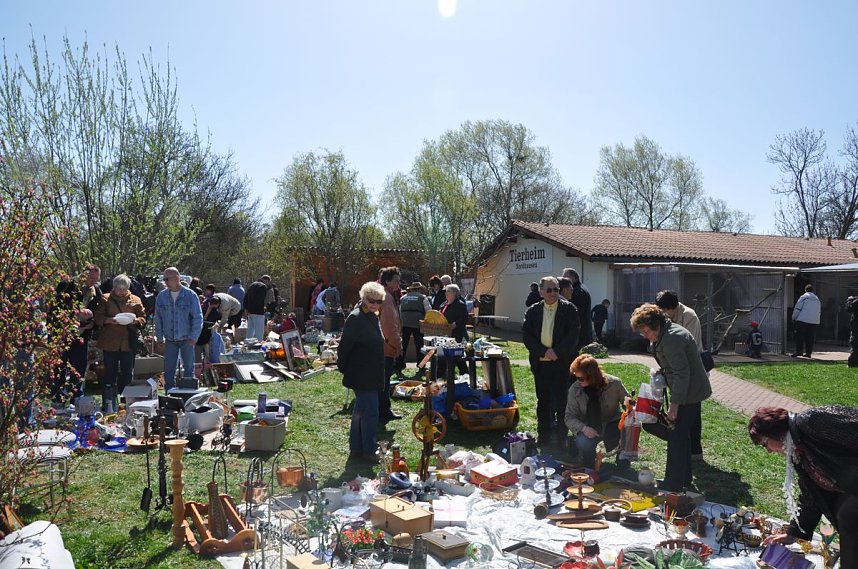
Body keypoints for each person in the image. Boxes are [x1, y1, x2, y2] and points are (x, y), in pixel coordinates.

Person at [749, 405, 858, 567]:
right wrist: (793, 533)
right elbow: (810, 493)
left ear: (774, 434)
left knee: (848, 514)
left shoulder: (811, 421)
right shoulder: (797, 449)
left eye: (765, 444)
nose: (769, 451)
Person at [631, 303, 711, 491]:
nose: (644, 335)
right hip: (687, 390)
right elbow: (674, 367)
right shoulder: (665, 334)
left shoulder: (672, 339)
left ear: (654, 324)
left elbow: (682, 374)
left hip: (689, 393)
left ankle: (674, 484)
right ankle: (683, 479)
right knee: (681, 437)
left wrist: (675, 405)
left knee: (677, 437)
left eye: (644, 331)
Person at [522, 276, 580, 447]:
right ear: (541, 292)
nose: (553, 293)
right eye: (549, 290)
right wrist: (544, 351)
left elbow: (573, 334)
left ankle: (562, 436)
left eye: (556, 289)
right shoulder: (532, 311)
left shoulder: (569, 309)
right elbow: (527, 336)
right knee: (543, 401)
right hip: (541, 364)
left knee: (562, 401)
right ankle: (544, 435)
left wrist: (557, 352)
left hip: (561, 363)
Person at [338, 282, 387, 462]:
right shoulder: (356, 317)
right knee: (371, 412)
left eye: (379, 301)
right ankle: (369, 449)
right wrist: (344, 368)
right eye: (371, 300)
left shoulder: (372, 316)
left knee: (360, 411)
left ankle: (356, 448)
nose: (375, 304)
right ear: (363, 298)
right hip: (361, 373)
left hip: (370, 372)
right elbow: (344, 348)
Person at [655, 289, 705, 459]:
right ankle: (681, 445)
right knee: (681, 411)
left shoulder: (689, 316)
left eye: (665, 310)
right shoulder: (668, 317)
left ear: (673, 307)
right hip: (676, 371)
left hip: (692, 369)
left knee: (692, 411)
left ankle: (695, 450)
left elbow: (687, 344)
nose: (663, 314)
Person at [565, 354, 629, 468]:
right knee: (582, 441)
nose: (578, 381)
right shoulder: (575, 390)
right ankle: (588, 458)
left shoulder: (614, 384)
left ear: (592, 376)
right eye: (576, 377)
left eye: (581, 379)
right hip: (588, 425)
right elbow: (569, 417)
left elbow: (628, 403)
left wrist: (630, 411)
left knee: (630, 428)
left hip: (612, 422)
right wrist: (583, 428)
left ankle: (623, 460)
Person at [94, 274, 146, 412]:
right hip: (110, 342)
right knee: (109, 373)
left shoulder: (136, 299)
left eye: (124, 288)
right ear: (114, 287)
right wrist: (109, 320)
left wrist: (135, 321)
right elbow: (98, 317)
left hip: (128, 342)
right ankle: (109, 403)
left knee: (127, 374)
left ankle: (126, 403)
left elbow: (143, 318)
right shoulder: (105, 299)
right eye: (118, 288)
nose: (121, 291)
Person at [155, 267, 203, 391]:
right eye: (163, 279)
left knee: (188, 368)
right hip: (170, 339)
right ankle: (170, 395)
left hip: (187, 338)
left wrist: (194, 336)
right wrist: (159, 337)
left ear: (177, 278)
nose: (165, 282)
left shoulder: (190, 295)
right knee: (169, 369)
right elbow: (158, 318)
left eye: (167, 279)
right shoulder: (161, 296)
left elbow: (198, 317)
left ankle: (187, 394)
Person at [377, 267, 403, 423]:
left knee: (384, 380)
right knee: (384, 381)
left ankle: (382, 408)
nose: (398, 283)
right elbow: (388, 325)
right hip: (386, 347)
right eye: (395, 280)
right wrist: (397, 344)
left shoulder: (386, 295)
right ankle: (384, 410)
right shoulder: (386, 298)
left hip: (384, 345)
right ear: (387, 281)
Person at [398, 281, 431, 371]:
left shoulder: (403, 298)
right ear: (420, 289)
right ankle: (420, 365)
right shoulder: (423, 297)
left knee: (403, 344)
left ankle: (400, 364)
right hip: (418, 323)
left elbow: (399, 310)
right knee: (419, 345)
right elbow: (428, 311)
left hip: (404, 323)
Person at [440, 283, 470, 375]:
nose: (446, 293)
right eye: (446, 291)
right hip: (445, 334)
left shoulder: (460, 304)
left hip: (456, 335)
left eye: (449, 291)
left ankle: (465, 376)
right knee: (443, 357)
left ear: (455, 293)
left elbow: (464, 318)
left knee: (458, 357)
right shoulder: (444, 304)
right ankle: (441, 377)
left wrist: (455, 324)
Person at [562, 268, 593, 351]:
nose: (563, 279)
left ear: (573, 277)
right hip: (580, 333)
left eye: (565, 276)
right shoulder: (579, 288)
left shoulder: (578, 292)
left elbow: (576, 315)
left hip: (580, 334)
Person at [791, 284, 821, 358]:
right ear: (812, 291)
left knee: (799, 336)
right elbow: (819, 311)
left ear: (805, 290)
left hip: (803, 320)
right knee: (810, 337)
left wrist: (794, 318)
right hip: (814, 321)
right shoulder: (817, 299)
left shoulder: (803, 297)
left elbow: (797, 308)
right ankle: (808, 353)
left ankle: (799, 351)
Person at [243, 275, 270, 341]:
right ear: (267, 280)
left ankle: (247, 346)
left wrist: (246, 308)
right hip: (258, 312)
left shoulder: (252, 285)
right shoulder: (263, 286)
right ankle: (259, 347)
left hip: (250, 312)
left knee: (250, 332)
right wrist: (263, 308)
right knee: (259, 333)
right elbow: (260, 299)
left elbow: (246, 298)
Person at [847, 295, 858, 367]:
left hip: (856, 326)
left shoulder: (856, 302)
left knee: (854, 343)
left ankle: (852, 363)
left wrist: (849, 301)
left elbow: (848, 309)